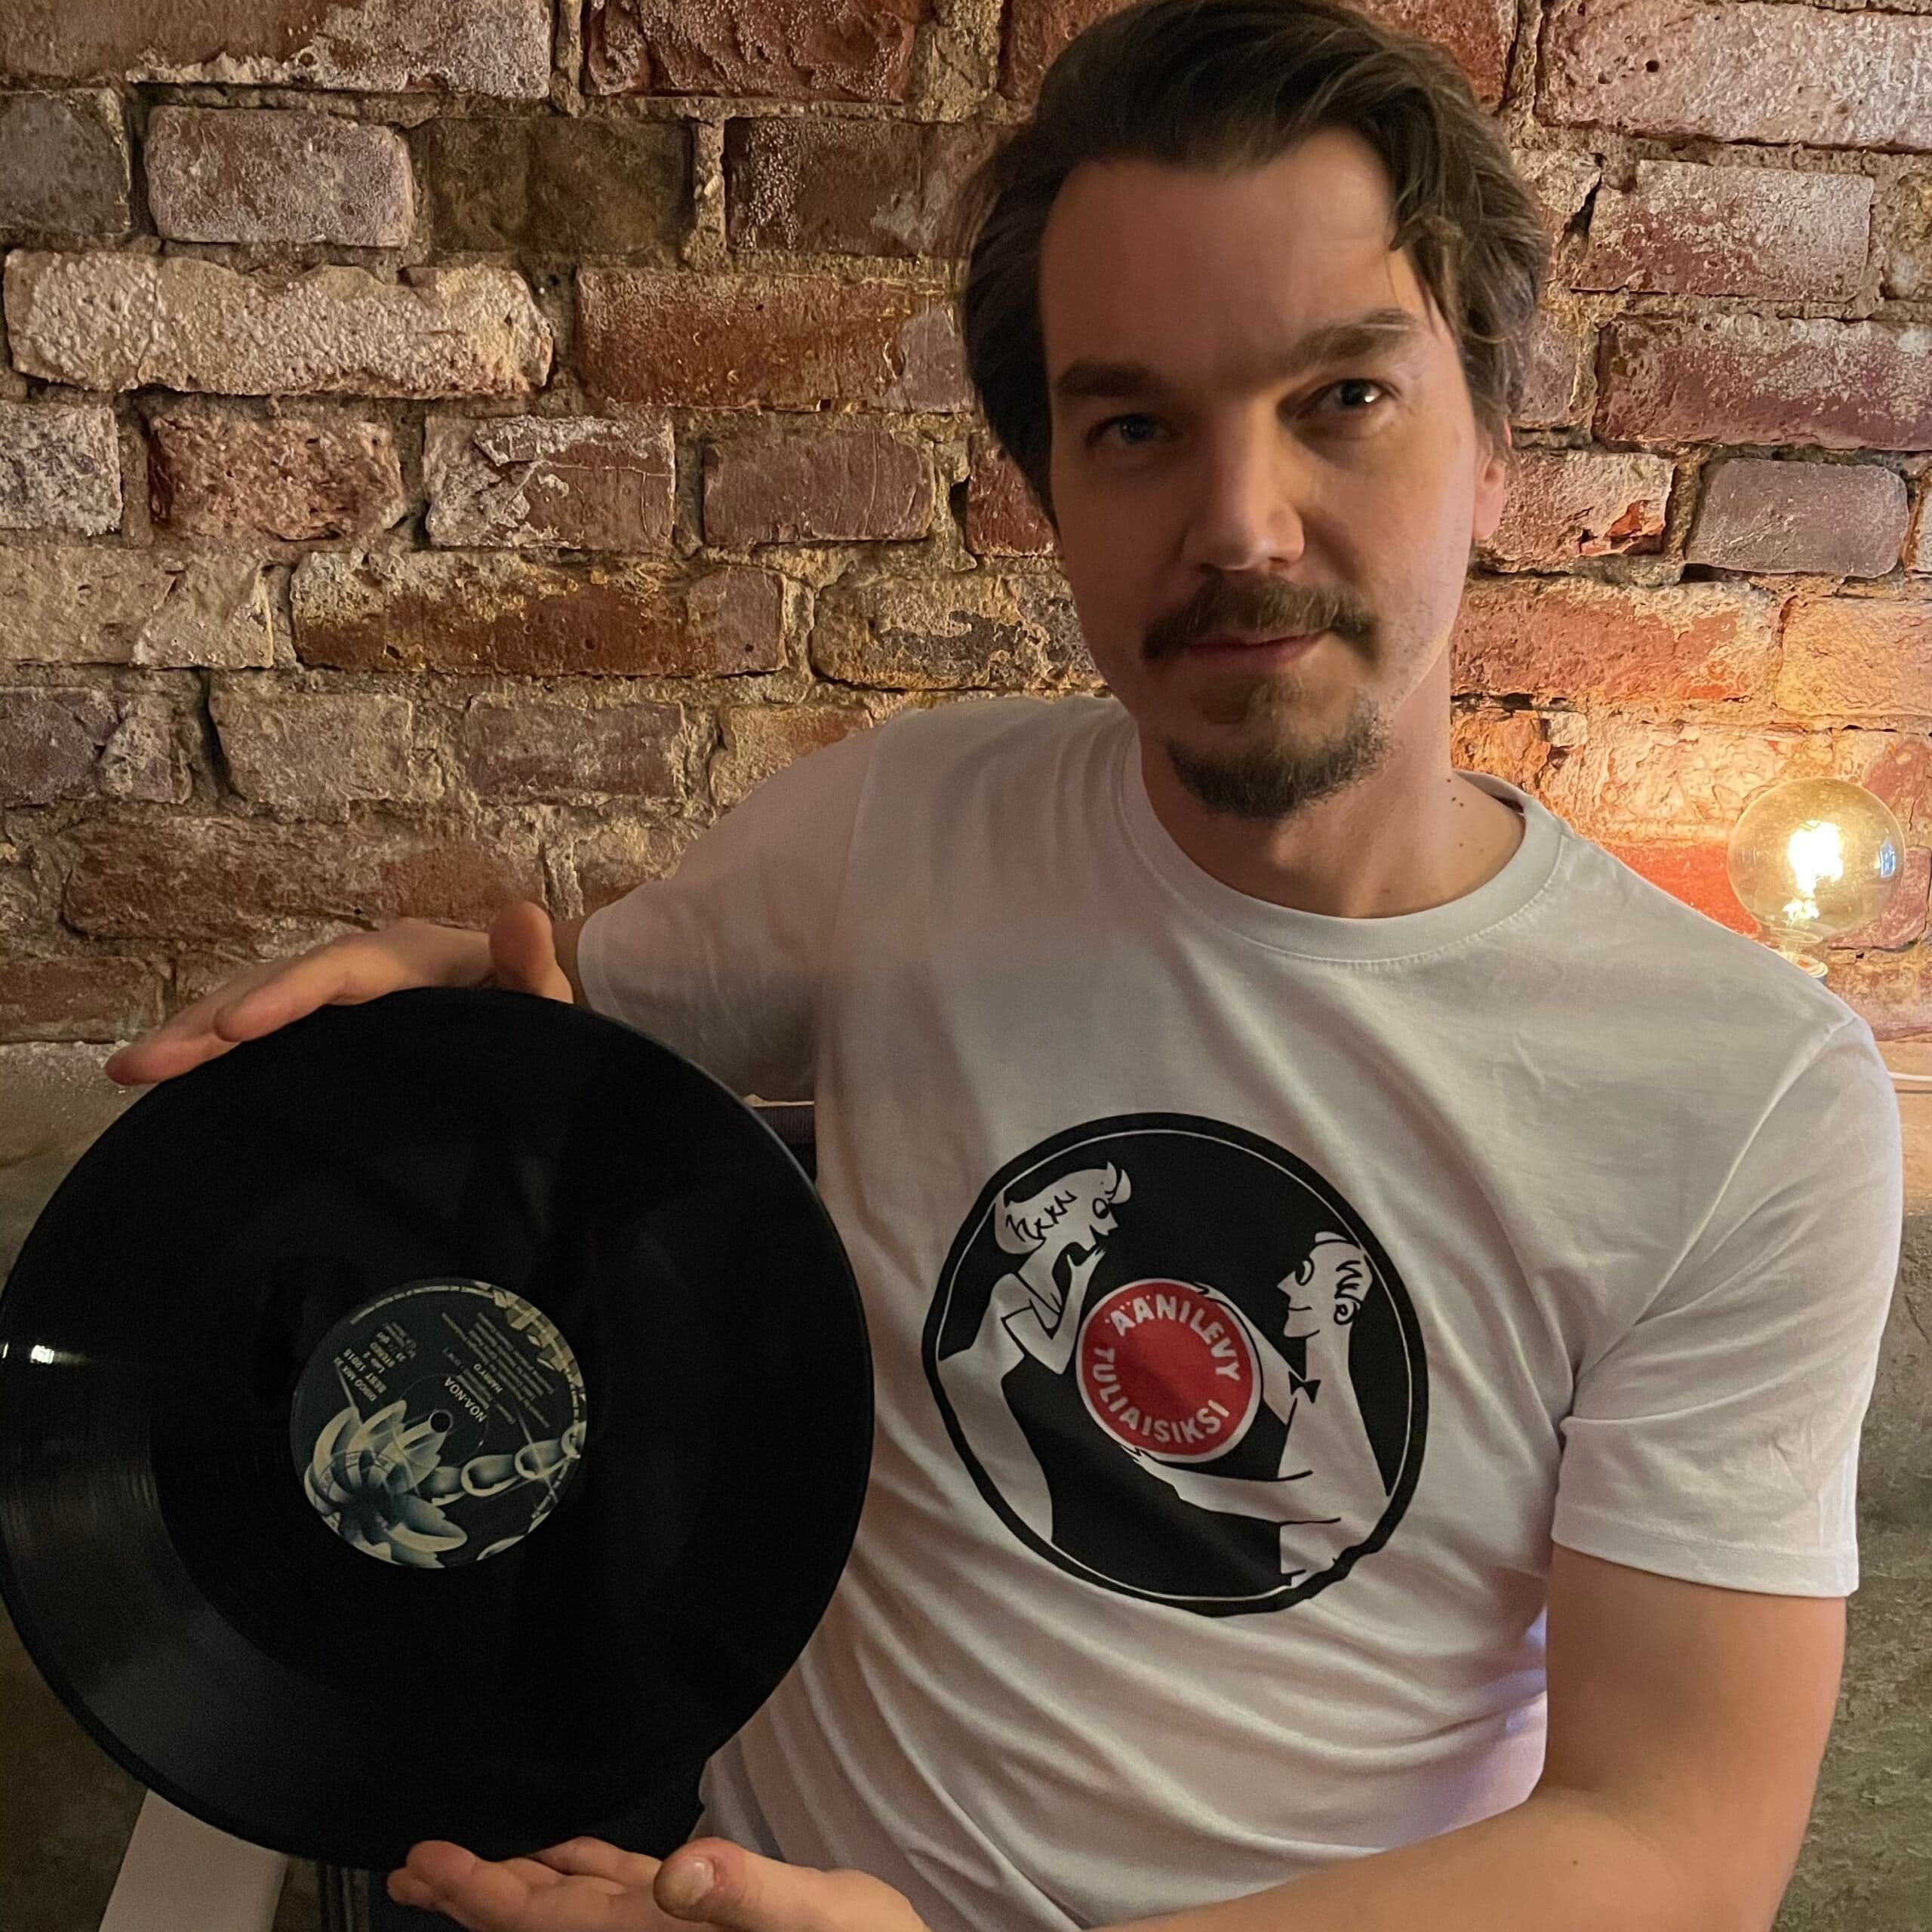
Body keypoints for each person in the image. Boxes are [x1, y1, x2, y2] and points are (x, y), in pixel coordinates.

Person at [103, 3, 1903, 1930]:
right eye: (1133, 427)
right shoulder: (902, 823)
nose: (1237, 521)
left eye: (1340, 397)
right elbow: (565, 1032)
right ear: (1047, 491)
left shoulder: (1748, 1096)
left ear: (1491, 449)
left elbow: (1670, 1847)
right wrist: (436, 976)